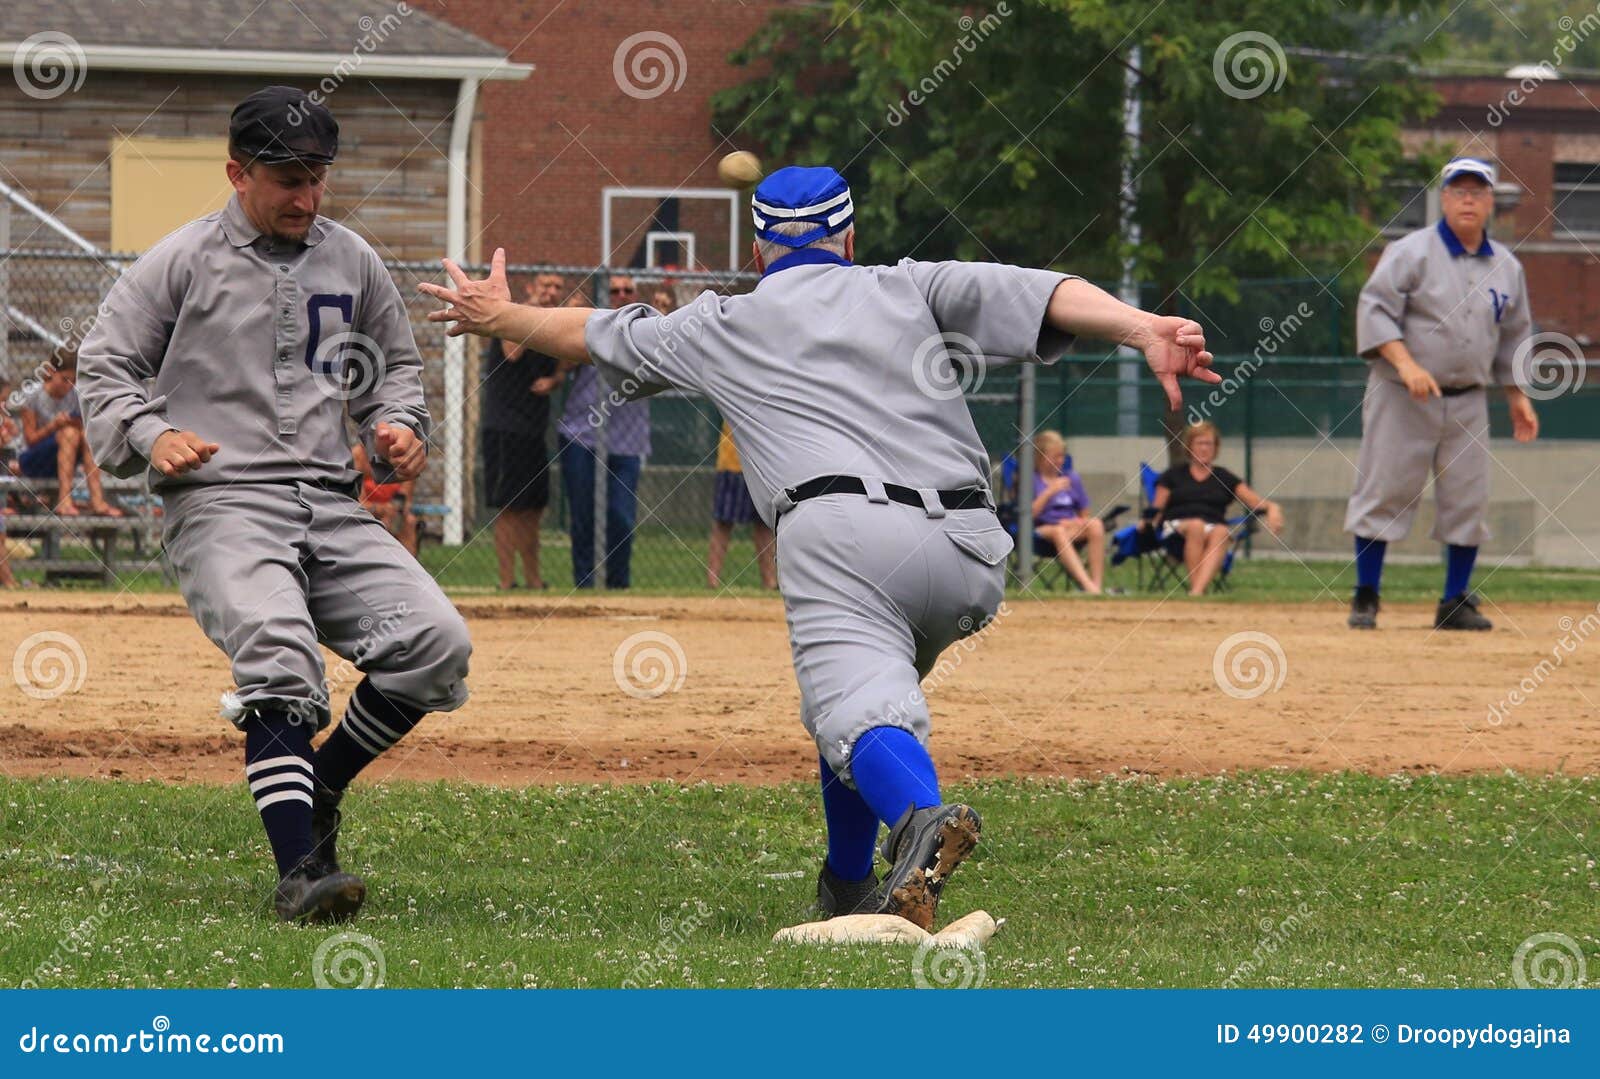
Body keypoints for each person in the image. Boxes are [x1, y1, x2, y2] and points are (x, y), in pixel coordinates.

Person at [421, 165, 1219, 929]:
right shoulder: (907, 282)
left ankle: (919, 821)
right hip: (972, 548)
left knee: (855, 711)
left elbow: (592, 332)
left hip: (843, 539)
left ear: (760, 251)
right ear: (847, 237)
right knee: (859, 712)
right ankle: (847, 881)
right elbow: (1045, 291)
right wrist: (1143, 326)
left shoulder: (723, 321)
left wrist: (501, 317)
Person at [77, 86, 472, 924]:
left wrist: (398, 426)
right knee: (279, 648)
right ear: (237, 171)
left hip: (329, 501)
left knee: (435, 644)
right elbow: (105, 366)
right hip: (222, 501)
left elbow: (393, 367)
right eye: (288, 177)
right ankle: (300, 872)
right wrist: (151, 435)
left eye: (318, 176)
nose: (306, 196)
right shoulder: (181, 259)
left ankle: (318, 792)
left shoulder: (352, 258)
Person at [1345, 156, 1539, 631]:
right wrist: (1406, 363)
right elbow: (1375, 309)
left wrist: (1517, 396)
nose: (1468, 198)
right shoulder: (1411, 252)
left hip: (1469, 399)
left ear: (1491, 202)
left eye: (1478, 191)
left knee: (1467, 499)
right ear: (1444, 198)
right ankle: (1366, 595)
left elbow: (1514, 334)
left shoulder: (1506, 267)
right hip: (1401, 394)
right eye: (1459, 190)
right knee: (1385, 488)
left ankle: (1454, 601)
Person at [546, 274, 650, 589]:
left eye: (627, 290)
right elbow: (562, 368)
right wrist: (566, 323)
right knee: (583, 516)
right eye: (614, 290)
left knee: (620, 517)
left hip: (626, 440)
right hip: (582, 433)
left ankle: (618, 585)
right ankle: (585, 584)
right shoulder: (593, 326)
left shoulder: (649, 330)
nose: (620, 295)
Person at [481, 272, 561, 589]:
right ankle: (506, 583)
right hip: (505, 427)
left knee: (534, 507)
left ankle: (533, 581)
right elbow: (512, 352)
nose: (551, 292)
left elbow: (565, 363)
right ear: (531, 289)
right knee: (510, 507)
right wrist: (530, 311)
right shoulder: (515, 318)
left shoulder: (551, 324)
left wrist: (555, 381)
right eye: (545, 286)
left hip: (533, 429)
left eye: (557, 287)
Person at [1151, 422, 1283, 596]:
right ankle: (1197, 589)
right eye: (1200, 443)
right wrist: (1148, 525)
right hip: (1176, 528)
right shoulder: (1173, 475)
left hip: (1212, 527)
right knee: (1196, 526)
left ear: (1216, 448)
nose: (1205, 448)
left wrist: (1273, 508)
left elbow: (1255, 502)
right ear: (1190, 446)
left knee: (1221, 531)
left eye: (1209, 444)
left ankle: (1197, 591)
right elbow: (1156, 509)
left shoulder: (1224, 477)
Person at [16, 347, 122, 517]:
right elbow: (30, 440)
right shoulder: (32, 395)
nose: (69, 386)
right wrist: (54, 425)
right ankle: (64, 501)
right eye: (64, 379)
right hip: (33, 461)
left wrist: (78, 425)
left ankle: (97, 500)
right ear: (51, 372)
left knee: (85, 434)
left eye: (73, 380)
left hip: (66, 459)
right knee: (68, 433)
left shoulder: (76, 394)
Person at [1029, 430, 1103, 594]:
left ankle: (1097, 585)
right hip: (1042, 530)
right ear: (1040, 457)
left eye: (1062, 456)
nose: (1060, 460)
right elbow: (1028, 516)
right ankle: (1087, 585)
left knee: (1095, 524)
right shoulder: (1030, 479)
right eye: (1055, 456)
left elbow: (1085, 514)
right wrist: (1049, 492)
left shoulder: (1071, 478)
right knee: (1058, 531)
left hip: (1070, 527)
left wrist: (1074, 521)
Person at [707, 421, 777, 589]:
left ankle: (769, 582)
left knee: (764, 524)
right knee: (723, 522)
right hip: (732, 460)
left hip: (763, 463)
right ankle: (712, 582)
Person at [352, 442, 418, 556]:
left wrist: (393, 512)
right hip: (367, 511)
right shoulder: (358, 455)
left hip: (394, 512)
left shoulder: (404, 455)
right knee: (380, 524)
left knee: (409, 521)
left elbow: (405, 499)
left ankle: (408, 569)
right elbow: (357, 502)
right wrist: (380, 510)